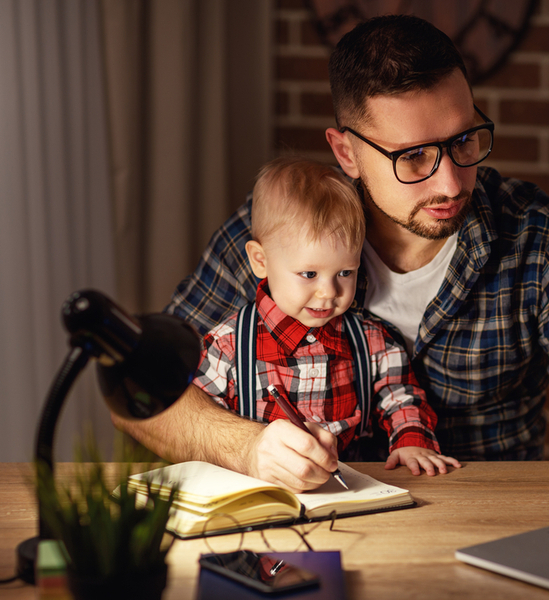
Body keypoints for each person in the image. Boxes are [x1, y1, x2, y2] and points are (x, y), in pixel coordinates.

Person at [111, 14, 549, 522]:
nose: (451, 183)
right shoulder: (273, 241)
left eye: (465, 139)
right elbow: (143, 391)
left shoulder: (537, 239)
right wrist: (247, 446)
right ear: (347, 153)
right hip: (302, 530)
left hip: (486, 523)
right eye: (414, 156)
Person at [191, 156, 460, 482]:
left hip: (354, 492)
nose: (328, 292)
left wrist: (411, 441)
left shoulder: (371, 341)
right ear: (260, 261)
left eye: (345, 272)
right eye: (309, 274)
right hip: (263, 493)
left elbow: (401, 396)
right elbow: (202, 423)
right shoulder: (228, 346)